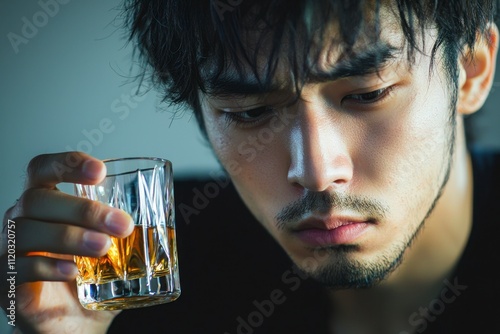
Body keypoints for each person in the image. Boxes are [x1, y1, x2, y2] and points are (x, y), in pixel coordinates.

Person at [2, 0, 500, 333]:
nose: (316, 172)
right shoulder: (141, 269)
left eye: (367, 95)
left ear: (472, 70)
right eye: (250, 113)